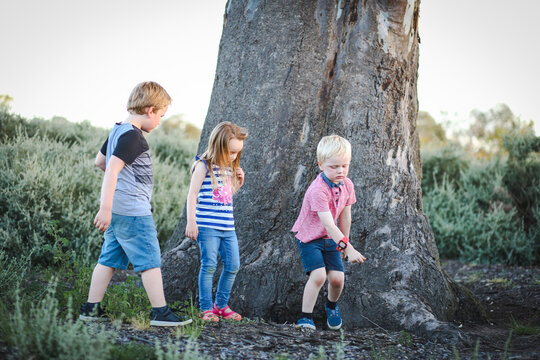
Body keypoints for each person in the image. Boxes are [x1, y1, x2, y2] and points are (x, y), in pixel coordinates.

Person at [79, 81, 192, 327]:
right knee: (150, 259)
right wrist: (105, 207)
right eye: (161, 115)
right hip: (132, 211)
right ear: (150, 110)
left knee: (108, 259)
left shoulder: (117, 130)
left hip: (120, 210)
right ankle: (160, 313)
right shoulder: (134, 137)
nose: (161, 121)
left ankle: (90, 309)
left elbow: (100, 161)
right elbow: (110, 171)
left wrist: (114, 199)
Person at [292, 134, 367, 330]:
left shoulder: (348, 185)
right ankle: (305, 317)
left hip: (332, 239)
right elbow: (328, 224)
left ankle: (331, 306)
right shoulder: (318, 190)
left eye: (345, 165)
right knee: (318, 276)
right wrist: (348, 248)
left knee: (337, 279)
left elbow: (345, 217)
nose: (340, 171)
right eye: (334, 167)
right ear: (321, 164)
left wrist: (344, 243)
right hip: (310, 238)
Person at [185, 121, 248, 322]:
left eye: (236, 153)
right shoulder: (203, 166)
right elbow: (192, 194)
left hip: (228, 227)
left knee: (233, 265)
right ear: (218, 147)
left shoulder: (229, 168)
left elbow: (224, 196)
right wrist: (191, 221)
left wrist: (239, 182)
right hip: (207, 226)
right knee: (209, 265)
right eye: (230, 152)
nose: (233, 157)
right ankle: (206, 309)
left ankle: (220, 305)